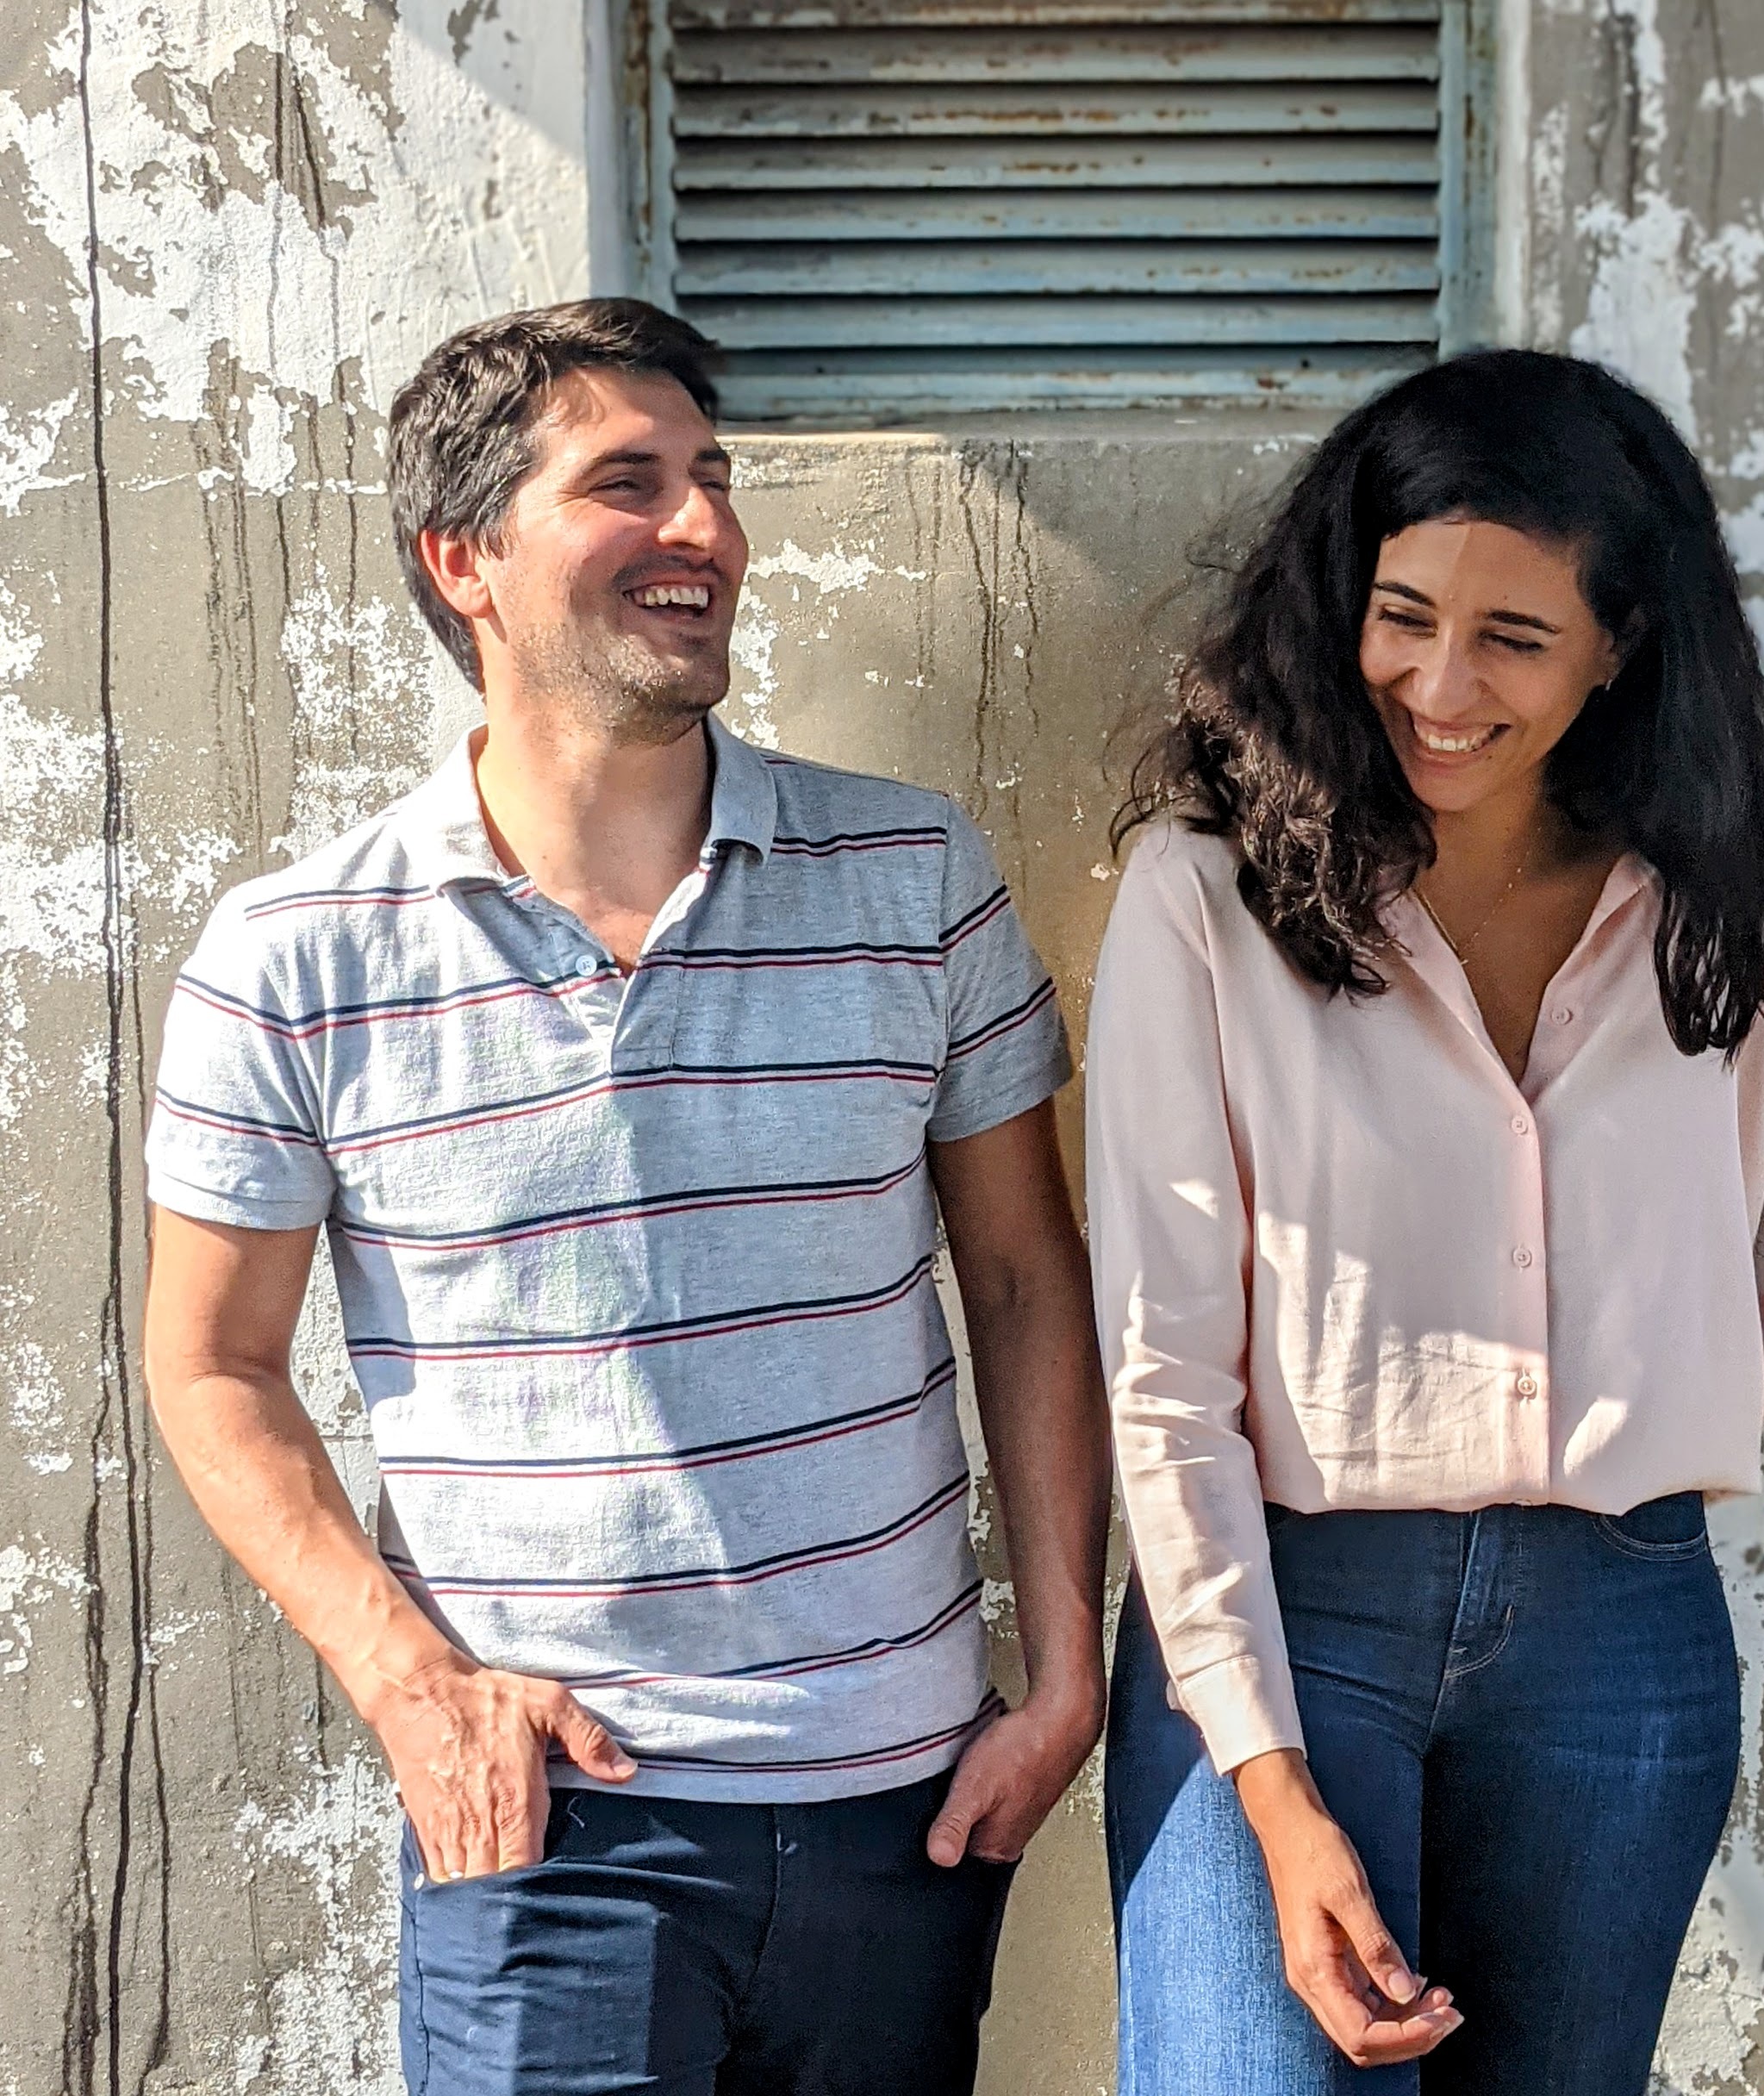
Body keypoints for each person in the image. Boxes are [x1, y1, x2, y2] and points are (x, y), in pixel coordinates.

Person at [141, 297, 1110, 2096]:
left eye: (715, 479)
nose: (706, 531)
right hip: (553, 1836)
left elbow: (1026, 1277)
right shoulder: (295, 954)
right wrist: (410, 1686)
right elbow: (211, 1367)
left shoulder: (917, 874)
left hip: (905, 1815)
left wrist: (1062, 1676)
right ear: (467, 561)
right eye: (630, 483)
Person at [1086, 348, 1764, 2094]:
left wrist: (1662, 1378)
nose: (1437, 684)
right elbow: (1162, 1375)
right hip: (1291, 1615)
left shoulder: (1734, 932)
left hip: (1616, 1634)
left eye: (1511, 636)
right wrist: (1275, 1797)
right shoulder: (1204, 904)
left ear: (1621, 646)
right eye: (1403, 613)